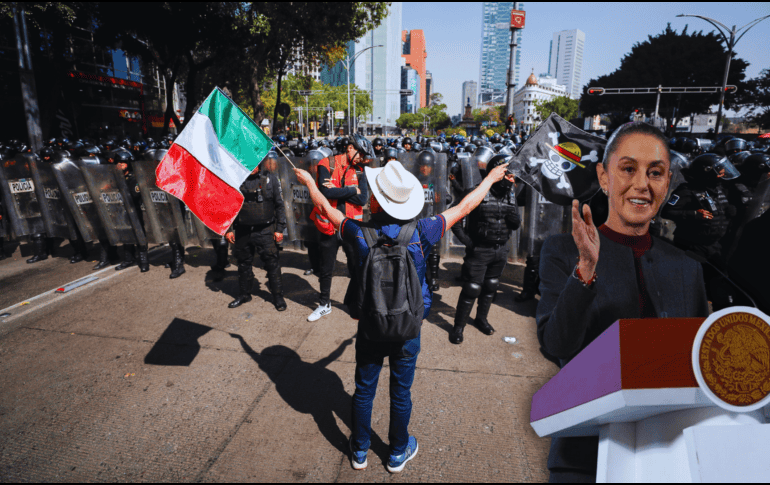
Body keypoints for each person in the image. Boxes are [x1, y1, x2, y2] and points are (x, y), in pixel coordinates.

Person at [294, 156, 511, 474]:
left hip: (371, 325)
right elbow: (464, 207)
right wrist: (490, 179)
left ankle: (359, 450)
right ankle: (397, 452)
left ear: (374, 200)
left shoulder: (359, 232)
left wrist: (311, 183)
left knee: (364, 388)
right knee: (400, 390)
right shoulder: (423, 230)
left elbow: (329, 211)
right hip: (409, 326)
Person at [536, 122, 709, 483]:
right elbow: (556, 344)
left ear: (667, 183)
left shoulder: (688, 268)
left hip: (670, 455)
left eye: (655, 173)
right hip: (584, 453)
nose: (641, 184)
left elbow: (698, 365)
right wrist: (585, 271)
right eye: (628, 168)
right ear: (604, 177)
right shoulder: (563, 250)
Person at [449, 154, 520, 344]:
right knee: (472, 288)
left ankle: (481, 319)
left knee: (491, 286)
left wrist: (514, 220)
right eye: (509, 176)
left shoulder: (511, 195)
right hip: (480, 250)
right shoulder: (476, 192)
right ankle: (458, 327)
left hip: (500, 250)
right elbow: (455, 219)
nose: (513, 181)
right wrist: (469, 243)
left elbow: (515, 224)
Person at [306, 135, 370, 322]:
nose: (362, 158)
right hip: (329, 226)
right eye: (360, 153)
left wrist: (337, 190)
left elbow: (363, 199)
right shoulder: (327, 163)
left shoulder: (360, 170)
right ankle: (324, 304)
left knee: (356, 267)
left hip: (350, 226)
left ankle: (356, 302)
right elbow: (325, 192)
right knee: (326, 268)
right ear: (350, 148)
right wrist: (351, 190)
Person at [224, 162, 287, 311]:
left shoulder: (270, 179)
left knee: (272, 263)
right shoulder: (235, 180)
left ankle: (277, 296)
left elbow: (279, 205)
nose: (253, 167)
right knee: (243, 264)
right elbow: (229, 206)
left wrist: (279, 228)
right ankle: (244, 294)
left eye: (255, 163)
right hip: (242, 230)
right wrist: (229, 229)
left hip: (265, 230)